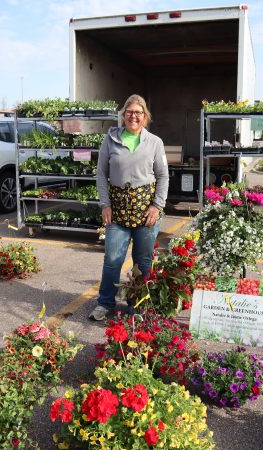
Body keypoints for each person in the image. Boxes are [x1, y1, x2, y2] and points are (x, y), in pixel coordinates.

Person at [89, 94, 169, 321]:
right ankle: (105, 303)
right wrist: (105, 204)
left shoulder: (154, 142)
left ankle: (138, 305)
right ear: (123, 115)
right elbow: (101, 174)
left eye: (138, 112)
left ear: (145, 117)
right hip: (117, 208)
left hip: (147, 210)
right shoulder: (110, 139)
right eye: (130, 112)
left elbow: (163, 176)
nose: (134, 116)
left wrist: (157, 205)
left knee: (143, 261)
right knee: (112, 259)